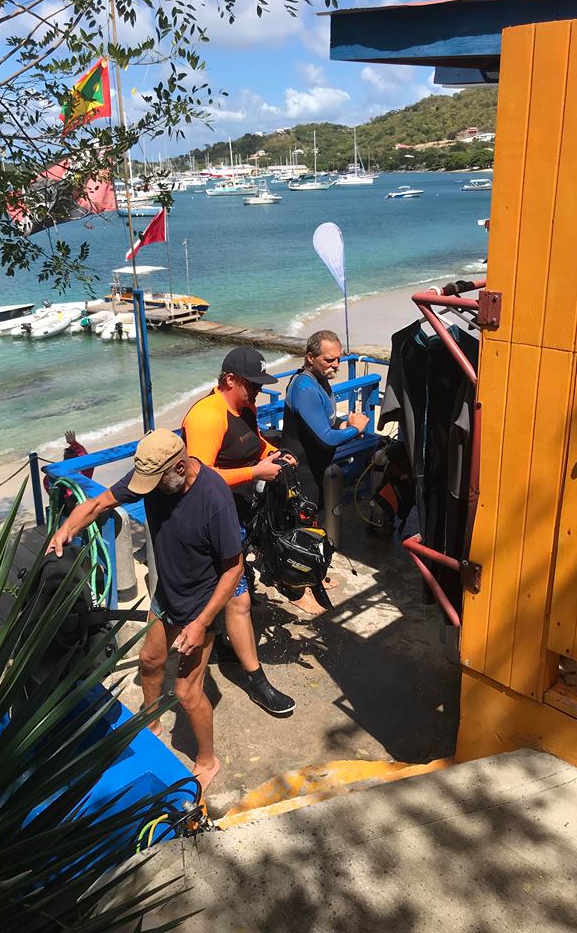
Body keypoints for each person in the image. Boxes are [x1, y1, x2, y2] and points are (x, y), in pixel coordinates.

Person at [48, 429, 245, 794]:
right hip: (166, 595)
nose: (147, 489)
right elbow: (98, 504)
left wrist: (201, 623)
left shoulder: (214, 497)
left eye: (155, 482)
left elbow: (234, 569)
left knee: (187, 692)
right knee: (150, 661)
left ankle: (207, 760)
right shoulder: (152, 476)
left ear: (180, 467)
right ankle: (151, 723)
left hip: (201, 606)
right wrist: (65, 530)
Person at [182, 347, 296, 716]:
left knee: (233, 586)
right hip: (210, 521)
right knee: (239, 599)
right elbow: (198, 477)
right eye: (253, 385)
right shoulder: (206, 417)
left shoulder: (245, 407)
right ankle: (257, 681)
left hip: (239, 513)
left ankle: (224, 643)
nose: (259, 391)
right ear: (230, 380)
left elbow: (252, 442)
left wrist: (273, 453)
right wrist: (255, 472)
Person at [281, 331, 369, 508]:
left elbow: (325, 419)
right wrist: (355, 429)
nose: (336, 365)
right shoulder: (305, 389)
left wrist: (344, 425)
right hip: (302, 473)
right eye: (329, 360)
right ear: (310, 358)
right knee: (309, 522)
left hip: (318, 468)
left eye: (339, 359)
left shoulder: (320, 378)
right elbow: (327, 439)